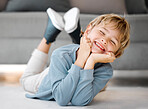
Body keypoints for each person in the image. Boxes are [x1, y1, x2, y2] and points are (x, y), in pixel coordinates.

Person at [20, 7, 130, 106]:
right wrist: (82, 59)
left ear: (116, 54)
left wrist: (91, 61)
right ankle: (49, 36)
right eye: (102, 32)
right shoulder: (61, 55)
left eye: (113, 41)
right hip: (46, 79)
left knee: (102, 86)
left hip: (73, 68)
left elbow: (79, 101)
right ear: (88, 30)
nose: (104, 40)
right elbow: (62, 99)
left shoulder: (106, 71)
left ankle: (79, 39)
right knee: (25, 80)